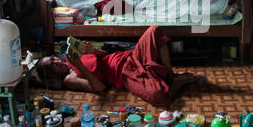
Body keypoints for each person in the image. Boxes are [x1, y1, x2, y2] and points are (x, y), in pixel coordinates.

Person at [36, 26, 204, 104]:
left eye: (53, 59)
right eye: (52, 66)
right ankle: (176, 83)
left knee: (154, 30)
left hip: (129, 57)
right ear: (53, 76)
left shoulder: (70, 57)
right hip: (124, 74)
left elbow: (105, 57)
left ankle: (171, 75)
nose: (56, 62)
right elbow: (99, 87)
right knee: (157, 95)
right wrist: (79, 64)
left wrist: (92, 50)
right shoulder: (69, 79)